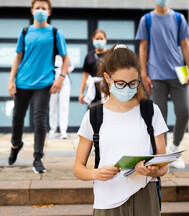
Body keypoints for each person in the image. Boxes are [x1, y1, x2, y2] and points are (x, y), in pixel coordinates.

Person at [73, 44, 168, 216]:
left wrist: (153, 170)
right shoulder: (94, 116)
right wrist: (96, 173)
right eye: (120, 83)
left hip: (145, 195)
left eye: (133, 83)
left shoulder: (151, 111)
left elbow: (163, 165)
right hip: (107, 199)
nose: (127, 88)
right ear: (107, 78)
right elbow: (78, 168)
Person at [8, 0, 70, 173]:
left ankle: (37, 158)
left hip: (44, 83)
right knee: (17, 118)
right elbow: (18, 57)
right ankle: (15, 144)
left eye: (44, 8)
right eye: (38, 8)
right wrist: (11, 79)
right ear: (32, 10)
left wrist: (61, 78)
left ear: (49, 12)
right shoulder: (25, 32)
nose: (40, 11)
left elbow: (66, 59)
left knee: (40, 120)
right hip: (22, 83)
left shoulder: (55, 33)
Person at [135, 0, 189, 169]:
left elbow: (185, 45)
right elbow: (143, 47)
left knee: (184, 112)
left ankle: (175, 146)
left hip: (178, 73)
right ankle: (164, 156)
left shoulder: (178, 19)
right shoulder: (147, 20)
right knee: (160, 117)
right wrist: (143, 72)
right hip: (156, 75)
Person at [78, 29, 108, 107]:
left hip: (107, 88)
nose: (99, 41)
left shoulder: (110, 55)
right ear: (93, 39)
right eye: (97, 39)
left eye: (101, 39)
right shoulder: (89, 56)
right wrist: (81, 92)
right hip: (93, 90)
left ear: (106, 40)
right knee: (93, 113)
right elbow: (85, 75)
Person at [48, 56, 74, 140]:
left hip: (64, 82)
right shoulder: (50, 52)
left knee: (64, 107)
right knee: (52, 107)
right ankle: (53, 129)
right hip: (52, 82)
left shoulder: (65, 54)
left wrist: (66, 70)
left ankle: (63, 131)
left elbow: (71, 66)